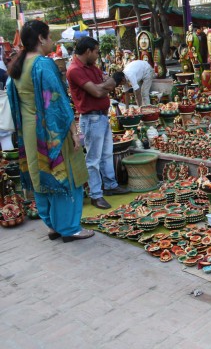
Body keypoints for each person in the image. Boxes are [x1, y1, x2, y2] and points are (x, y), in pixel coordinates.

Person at [6, 20, 93, 242]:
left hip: (29, 133)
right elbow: (58, 102)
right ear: (40, 39)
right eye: (49, 37)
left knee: (41, 177)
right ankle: (70, 228)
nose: (52, 41)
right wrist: (73, 131)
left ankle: (53, 226)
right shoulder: (43, 64)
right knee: (66, 176)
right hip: (51, 132)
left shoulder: (18, 64)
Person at [67, 36, 129, 210]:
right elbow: (98, 91)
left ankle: (110, 185)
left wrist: (108, 83)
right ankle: (96, 195)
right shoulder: (74, 69)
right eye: (96, 52)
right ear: (88, 51)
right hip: (91, 117)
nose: (97, 55)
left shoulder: (90, 67)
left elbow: (104, 85)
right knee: (93, 159)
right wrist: (113, 81)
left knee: (106, 154)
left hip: (100, 116)